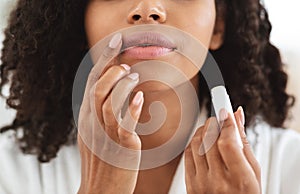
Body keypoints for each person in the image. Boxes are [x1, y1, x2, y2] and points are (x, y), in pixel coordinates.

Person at [0, 0, 299, 193]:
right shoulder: (9, 171)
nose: (147, 8)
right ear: (78, 21)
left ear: (219, 25)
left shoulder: (289, 164)